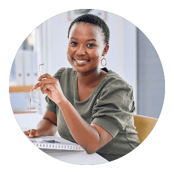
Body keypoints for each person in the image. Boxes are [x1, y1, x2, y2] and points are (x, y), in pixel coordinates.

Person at [24, 14, 140, 161]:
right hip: (82, 161)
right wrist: (38, 133)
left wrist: (62, 101)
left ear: (105, 50)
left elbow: (93, 143)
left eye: (90, 45)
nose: (80, 51)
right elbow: (51, 120)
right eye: (74, 43)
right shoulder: (62, 77)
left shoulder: (118, 90)